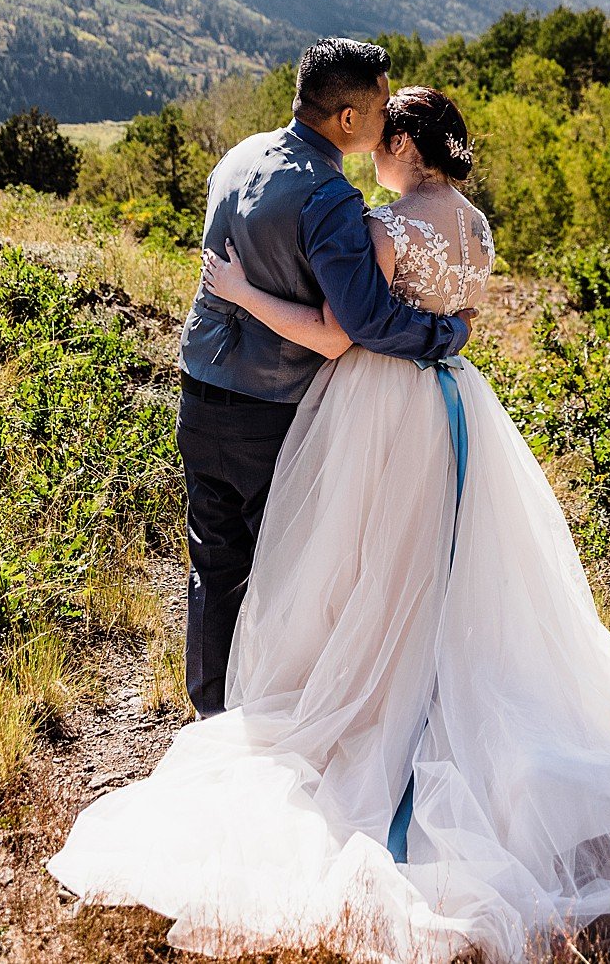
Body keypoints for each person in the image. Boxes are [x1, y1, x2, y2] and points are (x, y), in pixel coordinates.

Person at [51, 85, 610, 963]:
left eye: (386, 137)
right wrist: (445, 330)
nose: (373, 147)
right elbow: (457, 318)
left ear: (408, 146)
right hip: (458, 408)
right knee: (452, 567)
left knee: (365, 562)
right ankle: (432, 690)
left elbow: (343, 334)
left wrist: (236, 287)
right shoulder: (478, 227)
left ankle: (371, 706)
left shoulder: (384, 229)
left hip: (383, 408)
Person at [166, 38, 471, 718]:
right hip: (269, 411)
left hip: (198, 391)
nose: (389, 118)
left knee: (213, 564)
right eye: (380, 106)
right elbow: (363, 321)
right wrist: (447, 334)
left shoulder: (239, 155)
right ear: (348, 121)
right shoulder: (329, 196)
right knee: (285, 570)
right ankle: (272, 715)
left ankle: (212, 713)